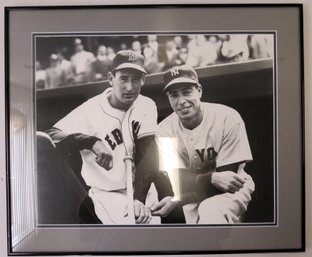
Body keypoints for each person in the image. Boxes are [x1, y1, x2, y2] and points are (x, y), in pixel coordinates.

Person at [46, 50, 173, 225]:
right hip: (108, 193)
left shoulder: (146, 105)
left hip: (143, 190)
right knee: (130, 235)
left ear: (143, 80)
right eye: (123, 78)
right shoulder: (90, 109)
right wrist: (91, 141)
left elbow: (148, 152)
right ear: (110, 78)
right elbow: (51, 134)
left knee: (152, 242)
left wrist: (139, 199)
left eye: (136, 79)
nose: (130, 87)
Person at [151, 65, 255, 224]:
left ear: (199, 90)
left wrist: (177, 200)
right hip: (192, 195)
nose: (181, 101)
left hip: (235, 189)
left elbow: (226, 182)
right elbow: (178, 180)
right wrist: (210, 178)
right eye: (174, 95)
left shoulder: (227, 118)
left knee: (210, 211)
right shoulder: (164, 130)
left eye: (187, 92)